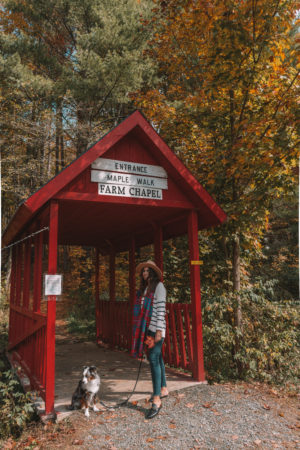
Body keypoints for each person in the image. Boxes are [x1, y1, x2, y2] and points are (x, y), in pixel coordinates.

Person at [131, 260, 168, 419]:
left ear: (153, 273)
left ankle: (156, 399)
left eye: (147, 270)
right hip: (147, 330)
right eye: (143, 271)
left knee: (153, 359)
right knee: (157, 357)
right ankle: (164, 388)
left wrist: (159, 331)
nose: (145, 273)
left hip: (156, 331)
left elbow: (160, 309)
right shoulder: (145, 289)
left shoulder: (159, 287)